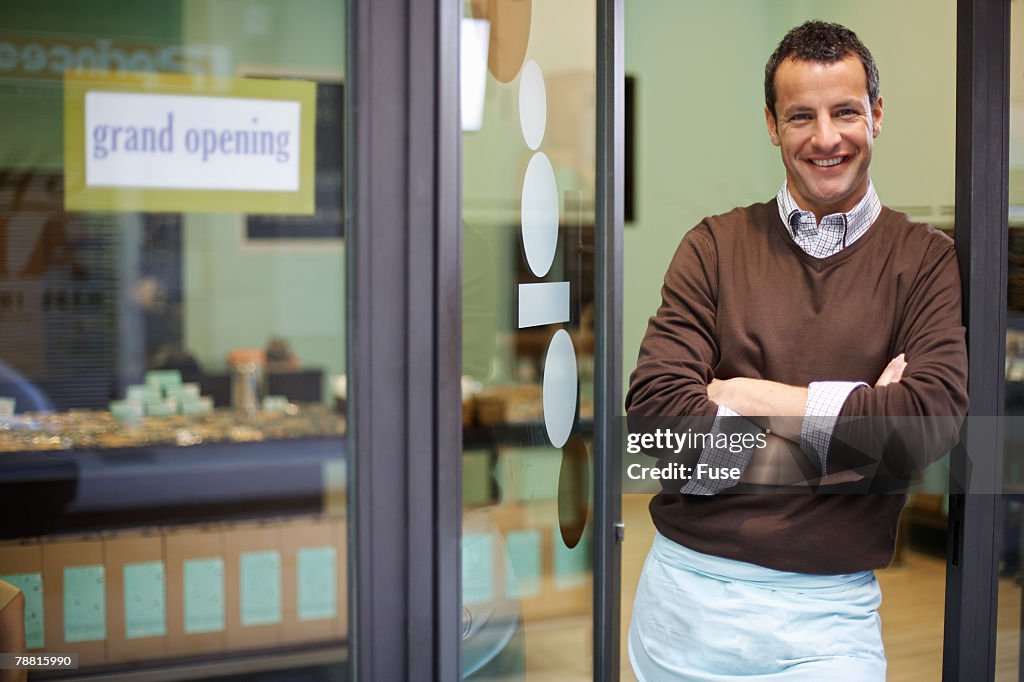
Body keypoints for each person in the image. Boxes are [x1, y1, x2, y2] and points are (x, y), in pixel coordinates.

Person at [625, 20, 968, 680]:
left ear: (877, 113)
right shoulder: (714, 248)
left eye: (845, 111)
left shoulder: (924, 262)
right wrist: (860, 429)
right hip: (686, 604)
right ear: (772, 125)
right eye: (801, 116)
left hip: (829, 618)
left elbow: (924, 427)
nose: (826, 137)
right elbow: (659, 435)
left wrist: (749, 397)